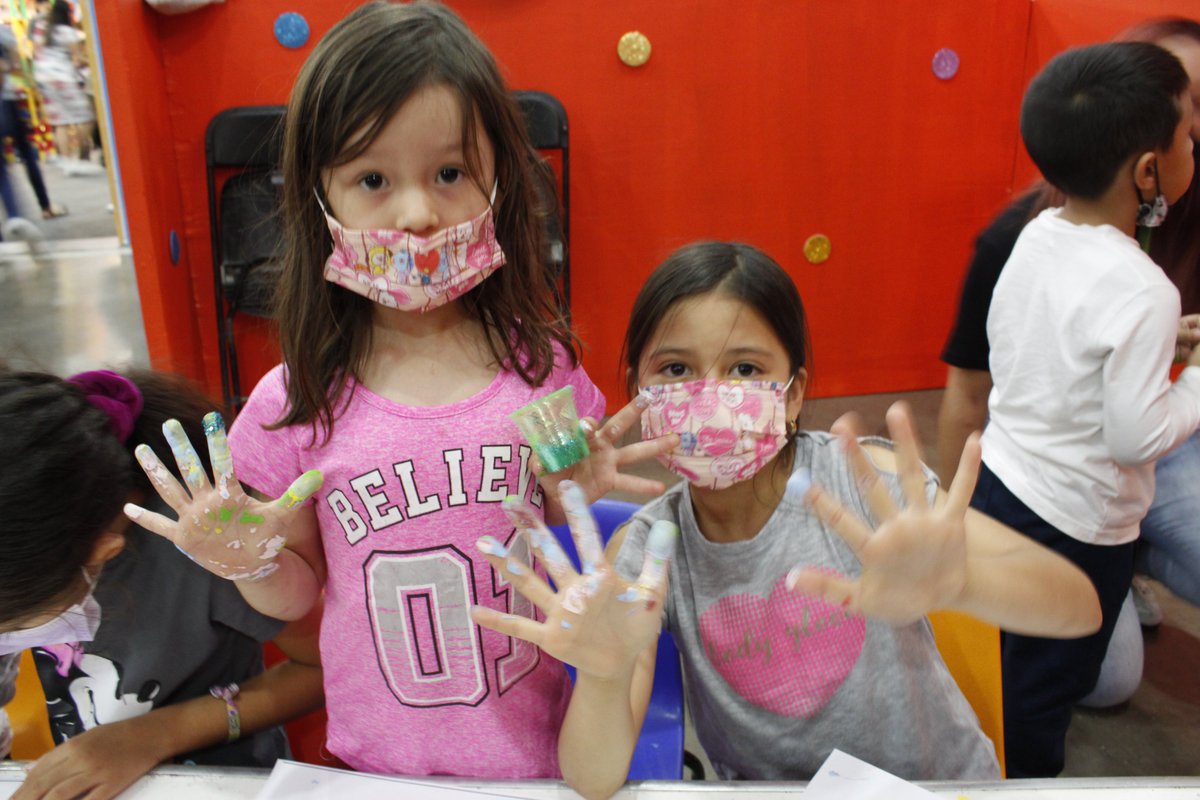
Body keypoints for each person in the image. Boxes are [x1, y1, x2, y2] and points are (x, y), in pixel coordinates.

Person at [125, 0, 674, 779]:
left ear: (499, 183)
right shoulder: (293, 405)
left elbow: (565, 554)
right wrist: (246, 561)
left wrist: (572, 499)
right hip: (376, 768)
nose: (417, 213)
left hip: (536, 760)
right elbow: (296, 595)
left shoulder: (540, 369)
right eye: (373, 179)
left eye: (449, 173)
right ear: (320, 200)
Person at [471, 241, 1102, 798]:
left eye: (745, 369)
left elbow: (1080, 609)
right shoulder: (653, 550)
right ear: (638, 388)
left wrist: (962, 583)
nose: (711, 393)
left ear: (793, 393)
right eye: (676, 370)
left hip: (937, 787)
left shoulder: (861, 484)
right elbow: (593, 777)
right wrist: (605, 677)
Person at [966, 42, 1200, 778]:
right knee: (1049, 682)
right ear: (1147, 172)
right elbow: (1138, 438)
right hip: (1079, 527)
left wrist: (1161, 344)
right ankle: (1025, 782)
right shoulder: (1144, 289)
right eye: (1189, 135)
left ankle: (973, 751)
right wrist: (1194, 385)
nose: (1197, 144)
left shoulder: (1037, 233)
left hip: (1000, 485)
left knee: (997, 651)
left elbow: (1026, 344)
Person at [0, 367, 325, 800]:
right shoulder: (26, 554)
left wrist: (153, 736)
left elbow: (321, 669)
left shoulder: (208, 546)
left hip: (222, 783)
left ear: (103, 555)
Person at [0, 23, 67, 220]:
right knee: (27, 154)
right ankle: (45, 207)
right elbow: (13, 63)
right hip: (7, 101)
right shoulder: (4, 31)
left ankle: (12, 219)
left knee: (1, 169)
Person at [33, 0, 99, 176]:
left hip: (43, 77)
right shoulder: (68, 32)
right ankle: (80, 152)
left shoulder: (42, 28)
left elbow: (36, 52)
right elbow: (77, 59)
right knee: (86, 116)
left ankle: (67, 162)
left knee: (60, 121)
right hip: (63, 78)